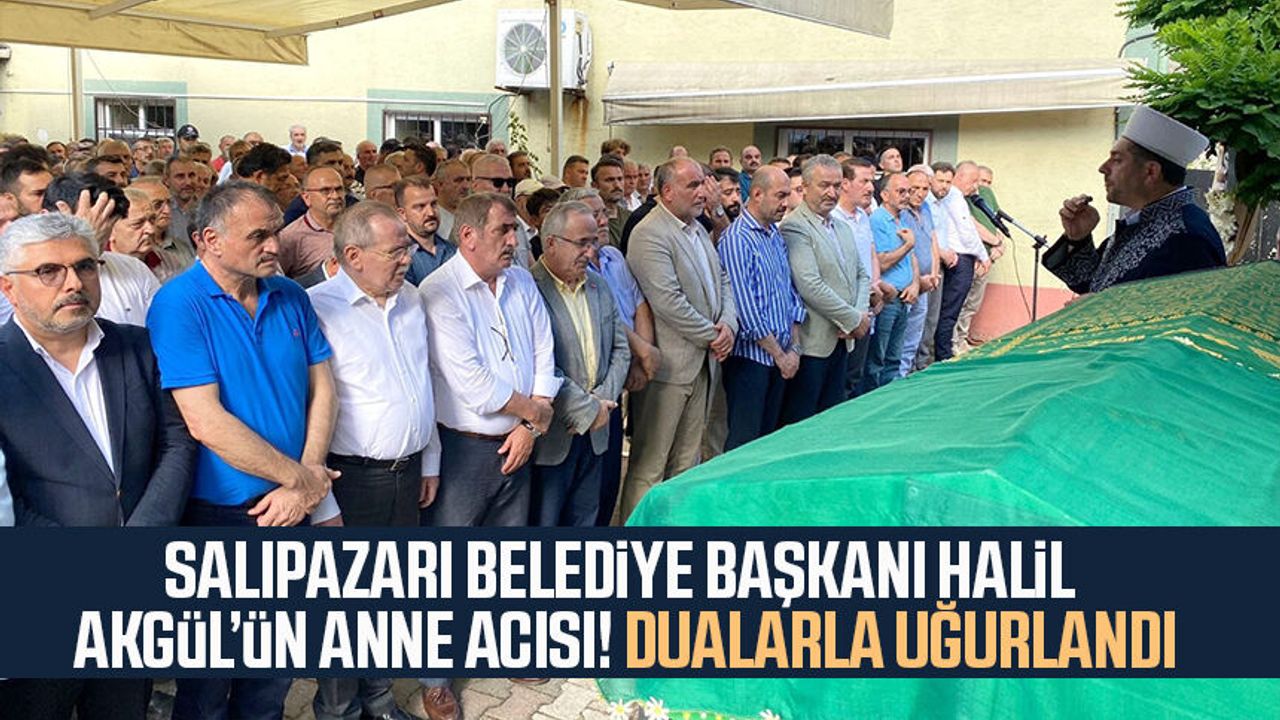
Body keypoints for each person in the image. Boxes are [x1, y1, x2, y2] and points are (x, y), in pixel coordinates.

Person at [147, 181, 338, 720]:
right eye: (259, 235)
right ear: (209, 240)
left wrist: (309, 474)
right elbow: (205, 421)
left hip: (292, 508)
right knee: (209, 677)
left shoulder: (290, 295)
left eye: (275, 231)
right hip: (220, 515)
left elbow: (323, 388)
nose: (275, 245)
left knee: (273, 667)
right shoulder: (178, 305)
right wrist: (302, 481)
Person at [0, 213, 195, 717]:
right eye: (48, 271)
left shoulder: (138, 346)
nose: (73, 283)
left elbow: (177, 442)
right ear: (8, 287)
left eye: (85, 266)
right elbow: (7, 494)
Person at [416, 193, 559, 720]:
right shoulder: (440, 291)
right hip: (464, 449)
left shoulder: (520, 280)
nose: (514, 240)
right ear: (468, 235)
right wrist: (536, 414)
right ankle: (436, 678)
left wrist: (530, 425)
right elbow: (473, 385)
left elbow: (544, 351)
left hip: (519, 441)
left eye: (515, 230)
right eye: (503, 230)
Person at [307, 202, 433, 720]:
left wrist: (430, 459)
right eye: (395, 251)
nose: (407, 259)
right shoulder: (317, 308)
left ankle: (380, 700)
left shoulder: (412, 300)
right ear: (353, 256)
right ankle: (338, 710)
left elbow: (424, 381)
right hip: (348, 480)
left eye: (407, 249)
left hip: (408, 473)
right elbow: (308, 410)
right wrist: (322, 503)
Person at [621, 158, 737, 519]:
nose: (703, 192)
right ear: (667, 191)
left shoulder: (697, 229)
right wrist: (713, 336)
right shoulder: (649, 233)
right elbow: (668, 301)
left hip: (702, 364)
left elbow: (723, 279)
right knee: (650, 465)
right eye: (693, 185)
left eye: (703, 183)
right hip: (668, 368)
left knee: (687, 461)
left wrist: (728, 324)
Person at [1045, 105, 1225, 294]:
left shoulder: (1188, 238)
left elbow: (1187, 308)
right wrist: (1078, 238)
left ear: (1151, 172)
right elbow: (1089, 283)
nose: (1103, 168)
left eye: (1117, 160)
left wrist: (1100, 306)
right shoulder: (1141, 222)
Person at [529, 201, 629, 526]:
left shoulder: (598, 285)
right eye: (582, 243)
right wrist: (587, 409)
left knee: (586, 520)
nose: (590, 252)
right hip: (554, 435)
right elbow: (539, 366)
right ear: (551, 243)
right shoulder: (528, 290)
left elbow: (620, 349)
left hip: (597, 430)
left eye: (593, 242)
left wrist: (601, 404)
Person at [716, 166, 805, 449]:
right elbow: (746, 309)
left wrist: (794, 349)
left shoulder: (774, 234)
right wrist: (780, 355)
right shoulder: (737, 239)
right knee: (744, 442)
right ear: (756, 194)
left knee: (768, 440)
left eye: (787, 196)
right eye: (780, 196)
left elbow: (790, 293)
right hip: (752, 360)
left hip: (781, 356)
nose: (785, 203)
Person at [779, 155, 871, 425]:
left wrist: (859, 314)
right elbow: (809, 284)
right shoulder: (795, 226)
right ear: (804, 187)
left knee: (831, 418)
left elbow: (861, 274)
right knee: (803, 420)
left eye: (836, 185)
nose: (832, 192)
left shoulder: (841, 226)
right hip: (813, 343)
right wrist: (852, 319)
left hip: (843, 339)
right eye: (824, 185)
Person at [862, 172, 920, 392]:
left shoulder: (903, 218)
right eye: (901, 191)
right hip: (886, 299)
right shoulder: (878, 220)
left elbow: (912, 258)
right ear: (885, 195)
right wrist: (908, 245)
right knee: (877, 359)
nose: (906, 196)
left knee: (894, 358)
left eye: (908, 191)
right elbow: (882, 262)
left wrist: (915, 284)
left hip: (904, 298)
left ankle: (889, 396)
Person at [933, 160, 990, 361]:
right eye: (973, 180)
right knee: (951, 310)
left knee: (950, 310)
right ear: (960, 177)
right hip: (960, 258)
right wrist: (983, 255)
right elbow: (967, 232)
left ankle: (943, 350)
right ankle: (943, 353)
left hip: (957, 256)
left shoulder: (954, 198)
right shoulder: (954, 197)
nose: (975, 187)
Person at [278, 166, 344, 278]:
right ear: (306, 197)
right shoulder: (290, 237)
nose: (335, 196)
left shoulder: (358, 225)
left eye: (339, 189)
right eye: (325, 191)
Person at [395, 175, 457, 285]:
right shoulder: (399, 257)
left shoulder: (453, 250)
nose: (431, 213)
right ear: (402, 214)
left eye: (433, 204)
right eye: (420, 206)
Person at [590, 155, 631, 248]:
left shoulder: (630, 217)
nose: (617, 185)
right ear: (595, 185)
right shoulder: (589, 220)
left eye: (620, 179)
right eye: (609, 180)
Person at [432, 159, 471, 242]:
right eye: (458, 180)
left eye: (468, 179)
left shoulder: (474, 216)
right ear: (440, 184)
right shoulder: (431, 219)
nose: (466, 186)